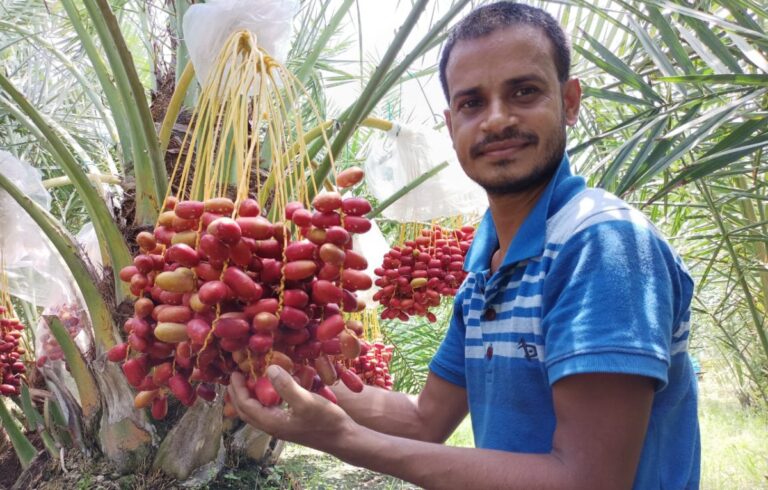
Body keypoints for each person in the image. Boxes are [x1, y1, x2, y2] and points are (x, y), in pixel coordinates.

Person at [228, 2, 701, 488]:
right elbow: (424, 419)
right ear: (451, 124)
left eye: (524, 92)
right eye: (472, 103)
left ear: (570, 101)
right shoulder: (484, 276)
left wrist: (344, 439)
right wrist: (296, 375)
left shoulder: (603, 244)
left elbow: (587, 479)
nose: (496, 120)